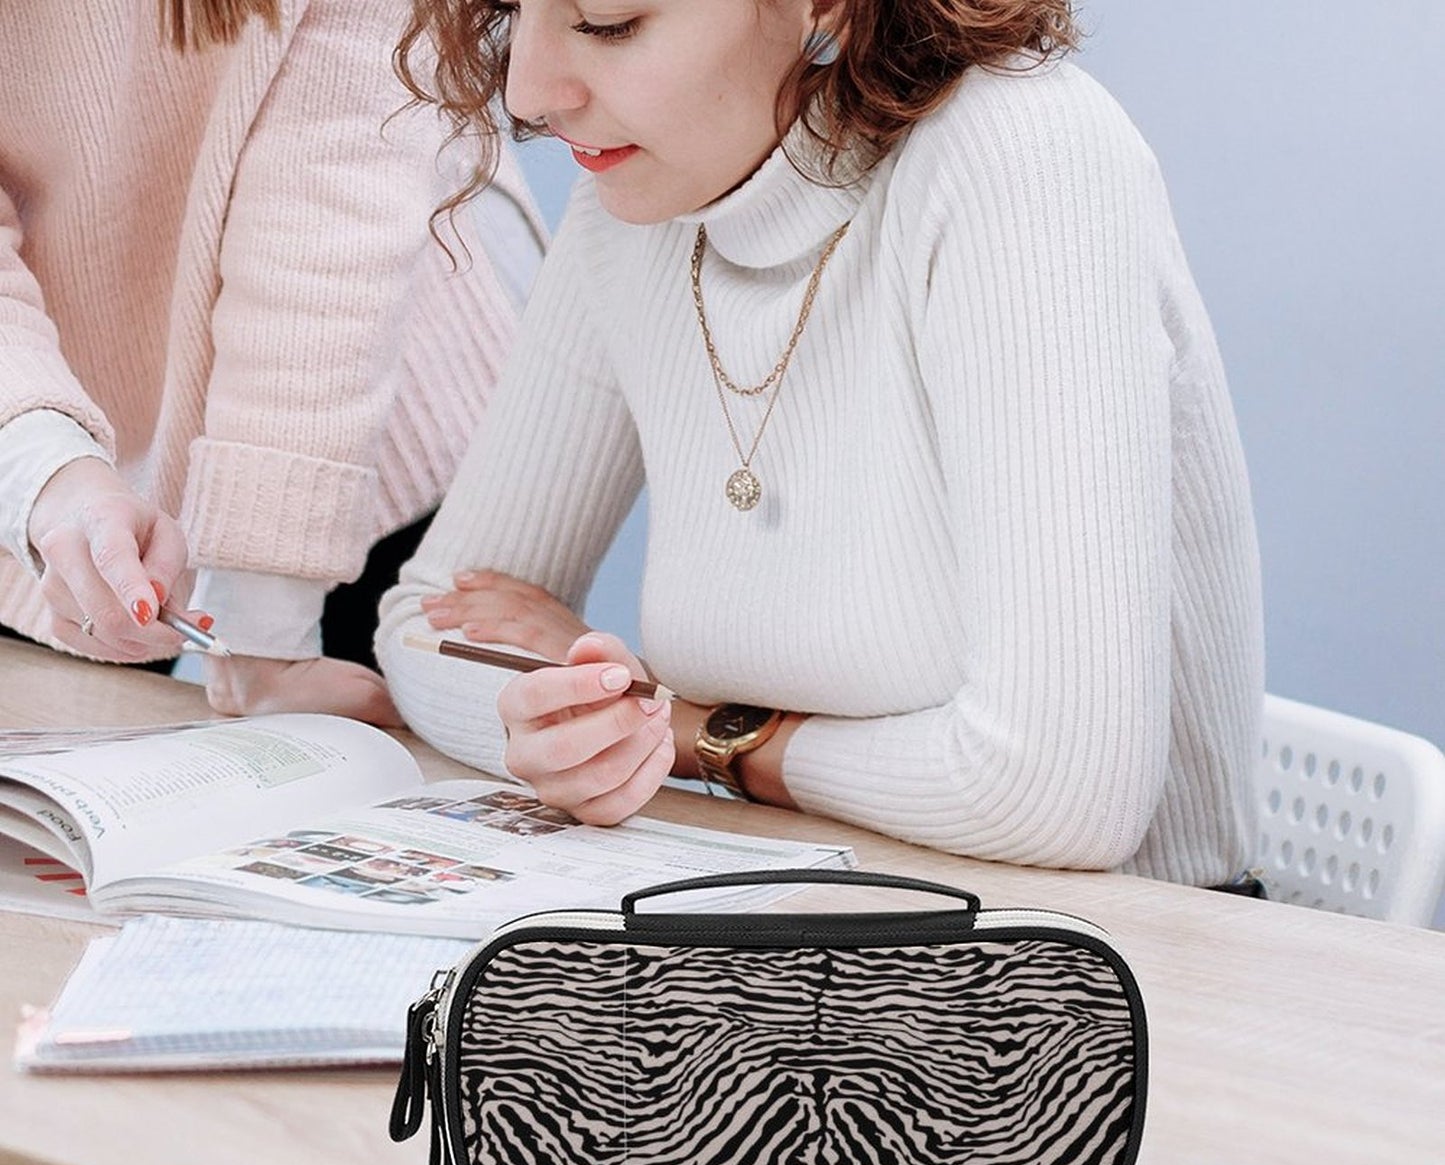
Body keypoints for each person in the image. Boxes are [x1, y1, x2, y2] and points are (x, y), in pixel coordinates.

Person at [377, 0, 1265, 888]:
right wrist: (556, 724)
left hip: (1111, 967)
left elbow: (1063, 795)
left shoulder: (1023, 152)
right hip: (795, 920)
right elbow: (430, 619)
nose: (527, 94)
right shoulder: (631, 204)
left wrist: (684, 728)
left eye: (608, 24)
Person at [0, 0, 541, 724]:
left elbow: (331, 194)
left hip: (359, 409)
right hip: (37, 400)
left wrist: (265, 626)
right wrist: (43, 470)